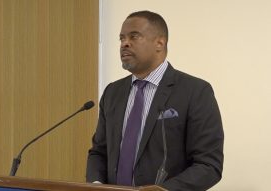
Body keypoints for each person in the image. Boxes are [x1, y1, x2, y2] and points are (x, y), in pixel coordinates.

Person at [86, 10, 224, 191]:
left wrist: (165, 190)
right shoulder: (113, 92)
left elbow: (208, 165)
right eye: (121, 38)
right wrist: (96, 185)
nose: (124, 44)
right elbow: (99, 152)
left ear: (160, 43)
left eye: (134, 36)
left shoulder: (195, 91)